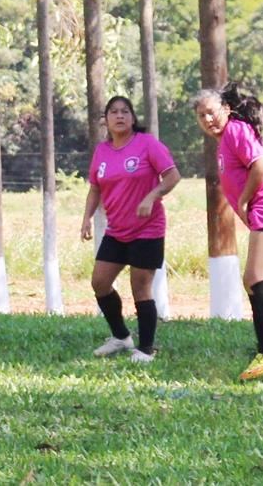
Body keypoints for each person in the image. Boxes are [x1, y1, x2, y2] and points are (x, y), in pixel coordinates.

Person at [193, 83, 263, 381]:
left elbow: (262, 167)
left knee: (256, 276)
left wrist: (244, 199)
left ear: (227, 110)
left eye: (213, 112)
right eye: (202, 115)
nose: (208, 120)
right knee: (253, 278)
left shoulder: (235, 130)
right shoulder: (229, 138)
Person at [81, 96, 181, 363]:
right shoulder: (102, 151)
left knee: (140, 286)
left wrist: (151, 196)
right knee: (100, 282)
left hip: (148, 229)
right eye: (113, 112)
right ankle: (121, 337)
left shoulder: (147, 144)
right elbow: (94, 188)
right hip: (117, 230)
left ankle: (146, 350)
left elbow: (173, 176)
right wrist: (87, 218)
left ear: (133, 118)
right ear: (106, 120)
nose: (119, 116)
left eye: (125, 111)